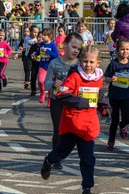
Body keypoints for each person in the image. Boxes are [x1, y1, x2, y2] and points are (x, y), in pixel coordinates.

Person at [40, 45, 110, 194]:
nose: (88, 65)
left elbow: (99, 96)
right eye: (85, 61)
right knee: (61, 153)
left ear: (98, 63)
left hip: (88, 126)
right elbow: (61, 95)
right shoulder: (75, 76)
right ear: (80, 61)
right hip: (71, 124)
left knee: (88, 159)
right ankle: (49, 161)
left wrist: (104, 107)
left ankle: (87, 191)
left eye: (91, 62)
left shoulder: (99, 78)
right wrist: (79, 101)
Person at [44, 32, 84, 169]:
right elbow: (46, 83)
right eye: (73, 47)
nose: (76, 51)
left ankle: (78, 155)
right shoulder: (55, 63)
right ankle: (56, 158)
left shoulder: (80, 65)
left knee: (75, 131)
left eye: (78, 49)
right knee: (58, 130)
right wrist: (53, 84)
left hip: (73, 102)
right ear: (65, 45)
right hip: (57, 100)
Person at [104, 38, 129, 151]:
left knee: (127, 119)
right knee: (114, 120)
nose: (125, 52)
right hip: (114, 96)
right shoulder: (113, 64)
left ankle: (123, 125)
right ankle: (111, 141)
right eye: (122, 49)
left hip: (125, 96)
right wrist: (111, 79)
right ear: (117, 50)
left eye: (127, 49)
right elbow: (106, 79)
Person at [32, 27, 59, 104]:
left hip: (51, 67)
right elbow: (38, 52)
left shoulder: (52, 45)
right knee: (40, 81)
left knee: (50, 83)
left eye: (44, 35)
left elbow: (56, 55)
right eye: (42, 35)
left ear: (49, 36)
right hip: (42, 66)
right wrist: (35, 54)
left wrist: (47, 51)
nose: (42, 37)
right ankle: (42, 93)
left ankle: (50, 99)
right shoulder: (41, 44)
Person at [21, 25, 38, 91]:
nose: (35, 34)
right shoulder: (26, 38)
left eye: (37, 32)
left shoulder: (37, 39)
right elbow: (24, 46)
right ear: (30, 32)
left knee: (34, 70)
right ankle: (27, 81)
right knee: (27, 68)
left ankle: (34, 82)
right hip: (27, 55)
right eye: (34, 32)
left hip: (35, 56)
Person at [0, 28, 12, 93]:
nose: (1, 37)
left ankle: (4, 78)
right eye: (0, 35)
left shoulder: (5, 43)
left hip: (3, 61)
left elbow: (9, 50)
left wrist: (8, 55)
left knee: (0, 73)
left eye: (3, 36)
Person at [28, 31, 43, 96]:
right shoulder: (34, 46)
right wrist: (32, 56)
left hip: (43, 65)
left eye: (42, 38)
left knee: (42, 78)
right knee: (33, 77)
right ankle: (33, 90)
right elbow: (29, 54)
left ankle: (43, 89)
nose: (40, 39)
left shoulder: (45, 46)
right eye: (39, 37)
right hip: (35, 64)